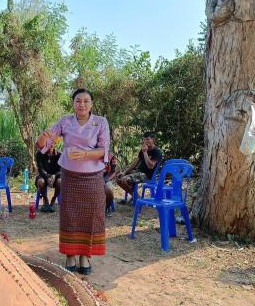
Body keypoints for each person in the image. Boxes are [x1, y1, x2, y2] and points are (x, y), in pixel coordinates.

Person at [37, 88, 110, 275]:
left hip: (93, 177)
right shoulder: (65, 121)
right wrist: (43, 138)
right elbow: (45, 143)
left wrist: (85, 154)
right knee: (69, 215)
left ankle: (85, 255)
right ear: (73, 103)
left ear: (91, 104)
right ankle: (70, 254)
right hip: (69, 175)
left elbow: (104, 150)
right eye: (78, 101)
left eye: (86, 101)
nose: (82, 104)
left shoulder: (100, 122)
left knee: (91, 216)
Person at [116, 132, 162, 200]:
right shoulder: (143, 150)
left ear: (153, 140)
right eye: (144, 139)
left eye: (148, 139)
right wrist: (125, 172)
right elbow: (135, 163)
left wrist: (145, 152)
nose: (145, 141)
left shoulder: (157, 152)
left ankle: (136, 198)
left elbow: (150, 166)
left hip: (147, 175)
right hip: (138, 172)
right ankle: (136, 196)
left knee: (124, 180)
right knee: (119, 178)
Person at [35, 144, 61, 212]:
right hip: (43, 175)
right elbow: (40, 169)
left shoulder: (59, 155)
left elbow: (61, 170)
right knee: (40, 182)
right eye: (48, 144)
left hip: (56, 176)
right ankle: (45, 199)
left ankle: (54, 199)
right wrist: (47, 176)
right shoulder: (39, 154)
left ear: (54, 144)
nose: (50, 146)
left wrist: (54, 175)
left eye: (52, 144)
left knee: (60, 182)